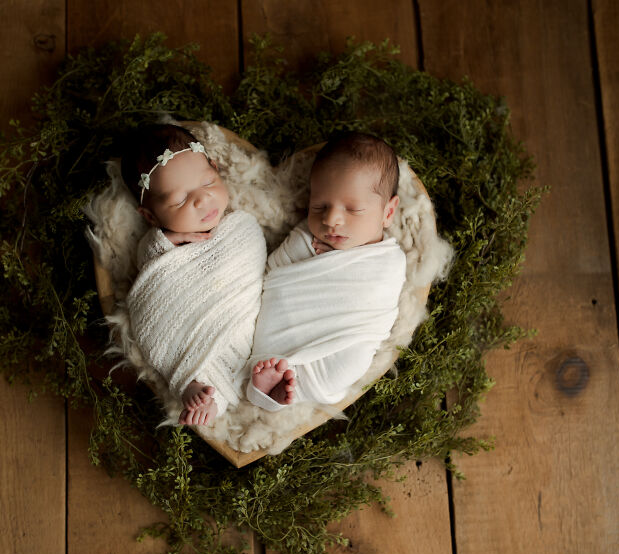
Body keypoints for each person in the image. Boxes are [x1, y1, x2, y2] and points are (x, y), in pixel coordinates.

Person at [246, 131, 406, 411]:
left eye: (353, 209)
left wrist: (332, 262)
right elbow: (273, 274)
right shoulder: (304, 238)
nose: (331, 220)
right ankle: (270, 384)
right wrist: (308, 256)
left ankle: (286, 387)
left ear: (388, 212)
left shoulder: (389, 260)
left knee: (352, 362)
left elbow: (378, 302)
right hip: (287, 325)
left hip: (343, 340)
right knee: (264, 346)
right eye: (319, 206)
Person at [121, 124, 266, 426]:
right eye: (179, 201)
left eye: (208, 182)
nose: (201, 201)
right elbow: (151, 274)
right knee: (151, 320)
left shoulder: (241, 228)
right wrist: (163, 241)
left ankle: (231, 380)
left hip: (239, 313)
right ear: (150, 216)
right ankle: (194, 384)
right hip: (180, 317)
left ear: (216, 168)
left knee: (254, 340)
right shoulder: (159, 244)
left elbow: (257, 275)